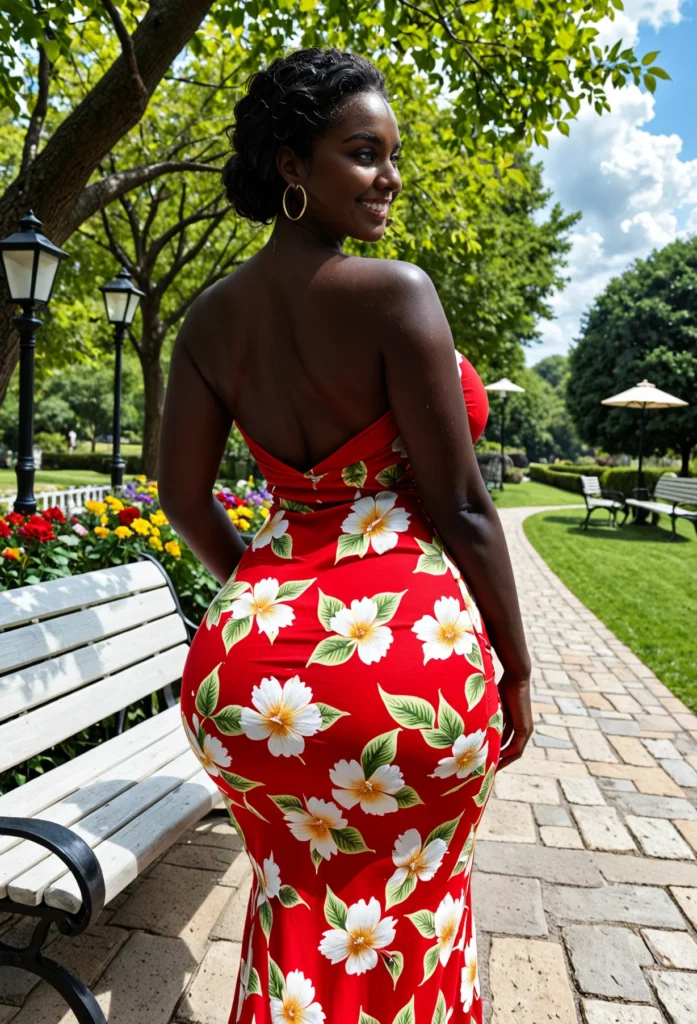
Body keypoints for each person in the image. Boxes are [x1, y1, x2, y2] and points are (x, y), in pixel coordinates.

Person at [159, 47, 532, 1024]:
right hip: (401, 679)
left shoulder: (205, 322)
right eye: (363, 153)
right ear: (293, 166)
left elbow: (182, 496)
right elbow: (458, 508)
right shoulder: (394, 292)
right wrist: (518, 669)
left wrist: (264, 592)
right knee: (408, 907)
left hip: (250, 681)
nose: (390, 177)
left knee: (295, 895)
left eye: (391, 155)